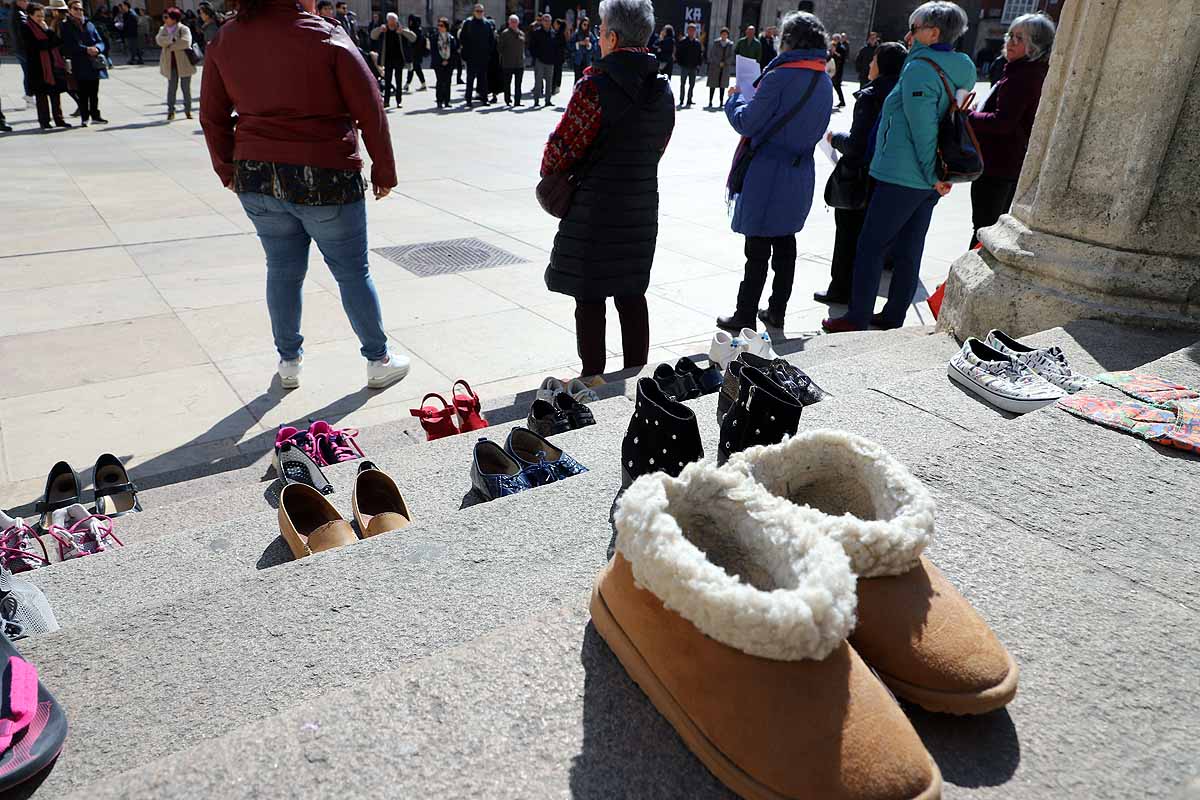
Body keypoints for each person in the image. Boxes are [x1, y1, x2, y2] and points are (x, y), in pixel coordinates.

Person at [200, 0, 409, 391]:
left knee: (282, 269)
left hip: (258, 175)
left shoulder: (225, 38)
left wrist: (226, 169)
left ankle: (288, 362)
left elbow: (211, 115)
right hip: (324, 173)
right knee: (351, 272)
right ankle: (377, 359)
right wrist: (384, 169)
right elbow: (370, 107)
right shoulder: (326, 34)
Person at [822, 1, 976, 333]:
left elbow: (923, 129)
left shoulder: (920, 69)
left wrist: (933, 175)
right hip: (928, 177)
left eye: (914, 28)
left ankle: (857, 316)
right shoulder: (961, 65)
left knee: (870, 246)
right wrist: (939, 176)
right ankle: (892, 316)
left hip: (905, 176)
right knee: (909, 249)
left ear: (933, 33)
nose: (908, 34)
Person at [541, 0, 674, 380]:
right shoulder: (662, 89)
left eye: (600, 32)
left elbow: (557, 155)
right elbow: (657, 148)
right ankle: (636, 376)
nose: (598, 39)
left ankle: (592, 377)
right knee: (632, 293)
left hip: (595, 211)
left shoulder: (594, 86)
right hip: (641, 206)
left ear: (612, 37)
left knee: (591, 295)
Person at [716, 10, 831, 331]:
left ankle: (745, 313)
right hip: (801, 170)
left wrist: (735, 101)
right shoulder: (822, 78)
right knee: (785, 243)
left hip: (769, 171)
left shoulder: (780, 76)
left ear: (790, 41)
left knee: (757, 248)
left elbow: (749, 122)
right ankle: (777, 310)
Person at [815, 41, 907, 305]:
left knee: (847, 235)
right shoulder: (902, 92)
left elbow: (858, 144)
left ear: (883, 64)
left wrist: (835, 139)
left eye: (874, 60)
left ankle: (840, 289)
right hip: (888, 176)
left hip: (860, 177)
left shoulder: (871, 95)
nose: (869, 64)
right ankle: (858, 290)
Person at [967, 13, 1055, 248]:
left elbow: (1002, 123)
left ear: (1035, 46)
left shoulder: (1022, 76)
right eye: (1011, 35)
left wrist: (969, 116)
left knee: (984, 231)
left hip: (999, 165)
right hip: (1008, 165)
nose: (1011, 42)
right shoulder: (1026, 71)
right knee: (989, 229)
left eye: (1020, 38)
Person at [20, 1, 71, 129]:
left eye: (42, 15)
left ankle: (59, 119)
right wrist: (48, 40)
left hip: (51, 65)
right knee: (41, 96)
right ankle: (44, 121)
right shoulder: (26, 27)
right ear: (30, 15)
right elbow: (37, 46)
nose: (41, 18)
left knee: (55, 93)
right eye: (38, 16)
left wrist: (47, 30)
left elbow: (57, 42)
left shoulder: (44, 26)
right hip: (37, 67)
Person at [60, 0, 106, 126]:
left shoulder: (89, 23)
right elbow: (68, 46)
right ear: (69, 10)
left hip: (94, 63)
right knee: (82, 92)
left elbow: (100, 40)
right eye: (75, 9)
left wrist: (97, 48)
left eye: (81, 9)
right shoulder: (65, 25)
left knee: (94, 92)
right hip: (79, 63)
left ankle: (96, 116)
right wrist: (86, 49)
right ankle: (85, 117)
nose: (79, 11)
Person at [155, 7, 195, 120]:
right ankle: (171, 111)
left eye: (167, 17)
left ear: (174, 18)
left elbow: (186, 42)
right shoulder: (163, 29)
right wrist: (171, 39)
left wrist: (170, 45)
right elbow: (159, 40)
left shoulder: (183, 28)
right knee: (171, 88)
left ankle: (188, 110)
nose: (165, 19)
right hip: (170, 64)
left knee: (186, 88)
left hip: (184, 63)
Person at [370, 13, 416, 107]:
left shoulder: (401, 28)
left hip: (399, 59)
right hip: (387, 59)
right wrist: (379, 30)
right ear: (387, 21)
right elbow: (372, 36)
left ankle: (399, 101)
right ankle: (386, 101)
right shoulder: (384, 29)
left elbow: (413, 38)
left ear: (396, 21)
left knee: (399, 81)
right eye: (390, 21)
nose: (392, 23)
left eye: (394, 21)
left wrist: (403, 32)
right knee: (387, 81)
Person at [459, 3, 495, 107]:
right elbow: (463, 38)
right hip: (471, 57)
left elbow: (491, 40)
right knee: (470, 79)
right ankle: (468, 99)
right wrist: (465, 53)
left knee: (483, 79)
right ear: (474, 12)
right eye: (477, 11)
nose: (479, 13)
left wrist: (489, 53)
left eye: (481, 11)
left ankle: (484, 99)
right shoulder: (468, 23)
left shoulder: (487, 24)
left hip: (483, 57)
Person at [9, 0, 34, 107]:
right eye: (25, 0)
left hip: (18, 49)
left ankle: (29, 97)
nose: (27, 2)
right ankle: (29, 95)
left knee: (27, 72)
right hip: (23, 49)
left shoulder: (14, 13)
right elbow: (24, 33)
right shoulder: (19, 14)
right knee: (30, 73)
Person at [431, 16, 458, 109]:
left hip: (449, 63)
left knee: (448, 82)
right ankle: (439, 101)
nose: (439, 27)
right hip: (439, 63)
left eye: (441, 25)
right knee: (440, 81)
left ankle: (447, 101)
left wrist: (448, 61)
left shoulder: (451, 38)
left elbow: (454, 51)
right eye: (438, 25)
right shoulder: (435, 37)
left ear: (446, 26)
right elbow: (433, 51)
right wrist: (441, 61)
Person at [497, 14, 524, 105]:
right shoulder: (505, 34)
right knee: (507, 83)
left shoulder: (521, 33)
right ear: (509, 23)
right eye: (512, 22)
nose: (514, 23)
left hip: (519, 63)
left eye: (515, 22)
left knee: (518, 84)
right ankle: (507, 100)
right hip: (508, 63)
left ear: (518, 23)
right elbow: (500, 48)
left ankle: (517, 101)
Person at [529, 12, 555, 106]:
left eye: (548, 21)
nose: (547, 22)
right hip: (540, 61)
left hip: (550, 61)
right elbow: (531, 46)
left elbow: (556, 47)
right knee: (538, 82)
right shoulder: (537, 32)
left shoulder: (553, 33)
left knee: (549, 82)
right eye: (545, 20)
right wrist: (536, 56)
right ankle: (536, 101)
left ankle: (548, 100)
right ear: (542, 22)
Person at [675, 22, 701, 107]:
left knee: (692, 84)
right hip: (685, 66)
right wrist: (680, 63)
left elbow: (699, 55)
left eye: (693, 30)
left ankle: (689, 99)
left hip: (693, 67)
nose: (692, 32)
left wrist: (698, 64)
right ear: (687, 31)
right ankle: (681, 100)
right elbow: (678, 53)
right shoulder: (683, 41)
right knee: (682, 84)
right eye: (690, 30)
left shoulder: (697, 43)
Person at [706, 26, 733, 107]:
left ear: (727, 35)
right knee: (713, 85)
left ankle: (721, 102)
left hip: (725, 67)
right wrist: (718, 62)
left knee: (722, 86)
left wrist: (725, 62)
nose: (724, 36)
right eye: (723, 34)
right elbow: (713, 54)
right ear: (721, 35)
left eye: (725, 34)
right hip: (715, 67)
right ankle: (710, 101)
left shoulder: (730, 44)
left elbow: (731, 56)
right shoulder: (716, 43)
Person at [569, 15, 598, 84]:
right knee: (577, 80)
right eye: (584, 24)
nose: (586, 26)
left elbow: (595, 47)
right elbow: (570, 46)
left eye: (587, 25)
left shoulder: (590, 35)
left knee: (586, 80)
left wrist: (589, 45)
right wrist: (579, 43)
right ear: (581, 24)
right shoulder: (576, 34)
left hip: (587, 60)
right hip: (578, 61)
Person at [403, 14, 427, 91]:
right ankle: (409, 84)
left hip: (415, 53)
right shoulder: (414, 30)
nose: (409, 22)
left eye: (411, 21)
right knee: (413, 68)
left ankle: (408, 84)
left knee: (414, 68)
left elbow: (417, 43)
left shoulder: (417, 31)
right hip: (412, 53)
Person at [829, 31, 847, 107]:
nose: (834, 40)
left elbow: (841, 58)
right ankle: (840, 101)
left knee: (837, 86)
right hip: (831, 69)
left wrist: (835, 52)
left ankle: (842, 101)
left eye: (835, 39)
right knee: (832, 86)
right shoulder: (832, 46)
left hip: (838, 70)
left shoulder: (841, 48)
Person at [551, 17, 567, 93]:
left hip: (557, 56)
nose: (554, 25)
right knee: (557, 71)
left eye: (555, 24)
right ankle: (555, 86)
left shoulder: (559, 34)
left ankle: (555, 86)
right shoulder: (558, 33)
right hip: (558, 56)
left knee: (556, 72)